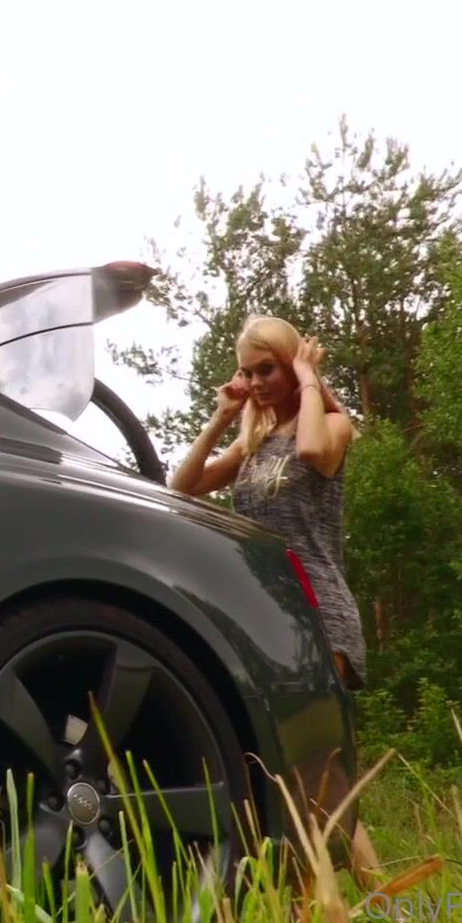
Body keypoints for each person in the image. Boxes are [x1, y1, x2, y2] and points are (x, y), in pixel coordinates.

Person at [167, 314, 383, 885]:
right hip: (268, 616)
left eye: (267, 369)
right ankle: (347, 904)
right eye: (248, 371)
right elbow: (182, 488)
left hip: (321, 613)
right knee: (288, 769)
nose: (256, 382)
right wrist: (221, 417)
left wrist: (311, 378)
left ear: (291, 366)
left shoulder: (334, 425)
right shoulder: (254, 440)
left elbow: (311, 450)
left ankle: (382, 905)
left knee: (316, 771)